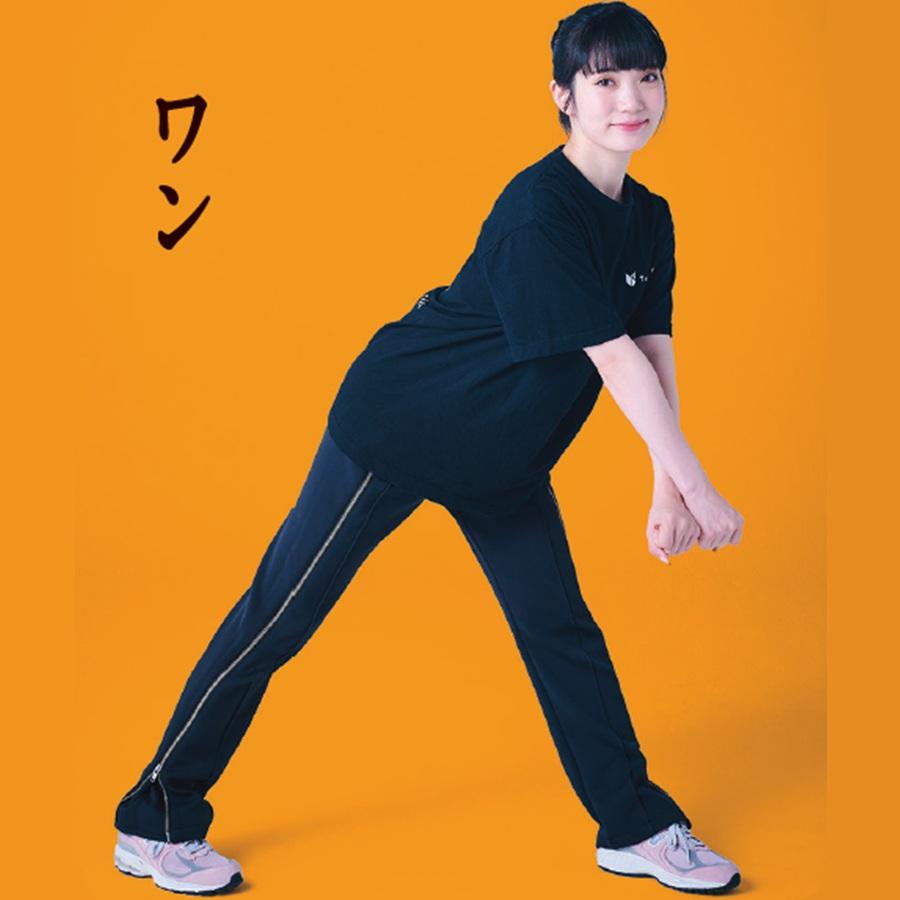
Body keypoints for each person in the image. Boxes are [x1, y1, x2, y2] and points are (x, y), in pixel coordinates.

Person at [112, 2, 744, 894]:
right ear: (563, 96)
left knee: (561, 631)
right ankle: (154, 818)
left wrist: (668, 488)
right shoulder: (539, 210)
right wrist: (700, 488)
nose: (630, 99)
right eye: (604, 80)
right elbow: (611, 362)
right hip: (404, 425)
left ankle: (633, 826)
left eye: (646, 76)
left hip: (504, 455)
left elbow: (651, 348)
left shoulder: (649, 218)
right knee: (281, 614)